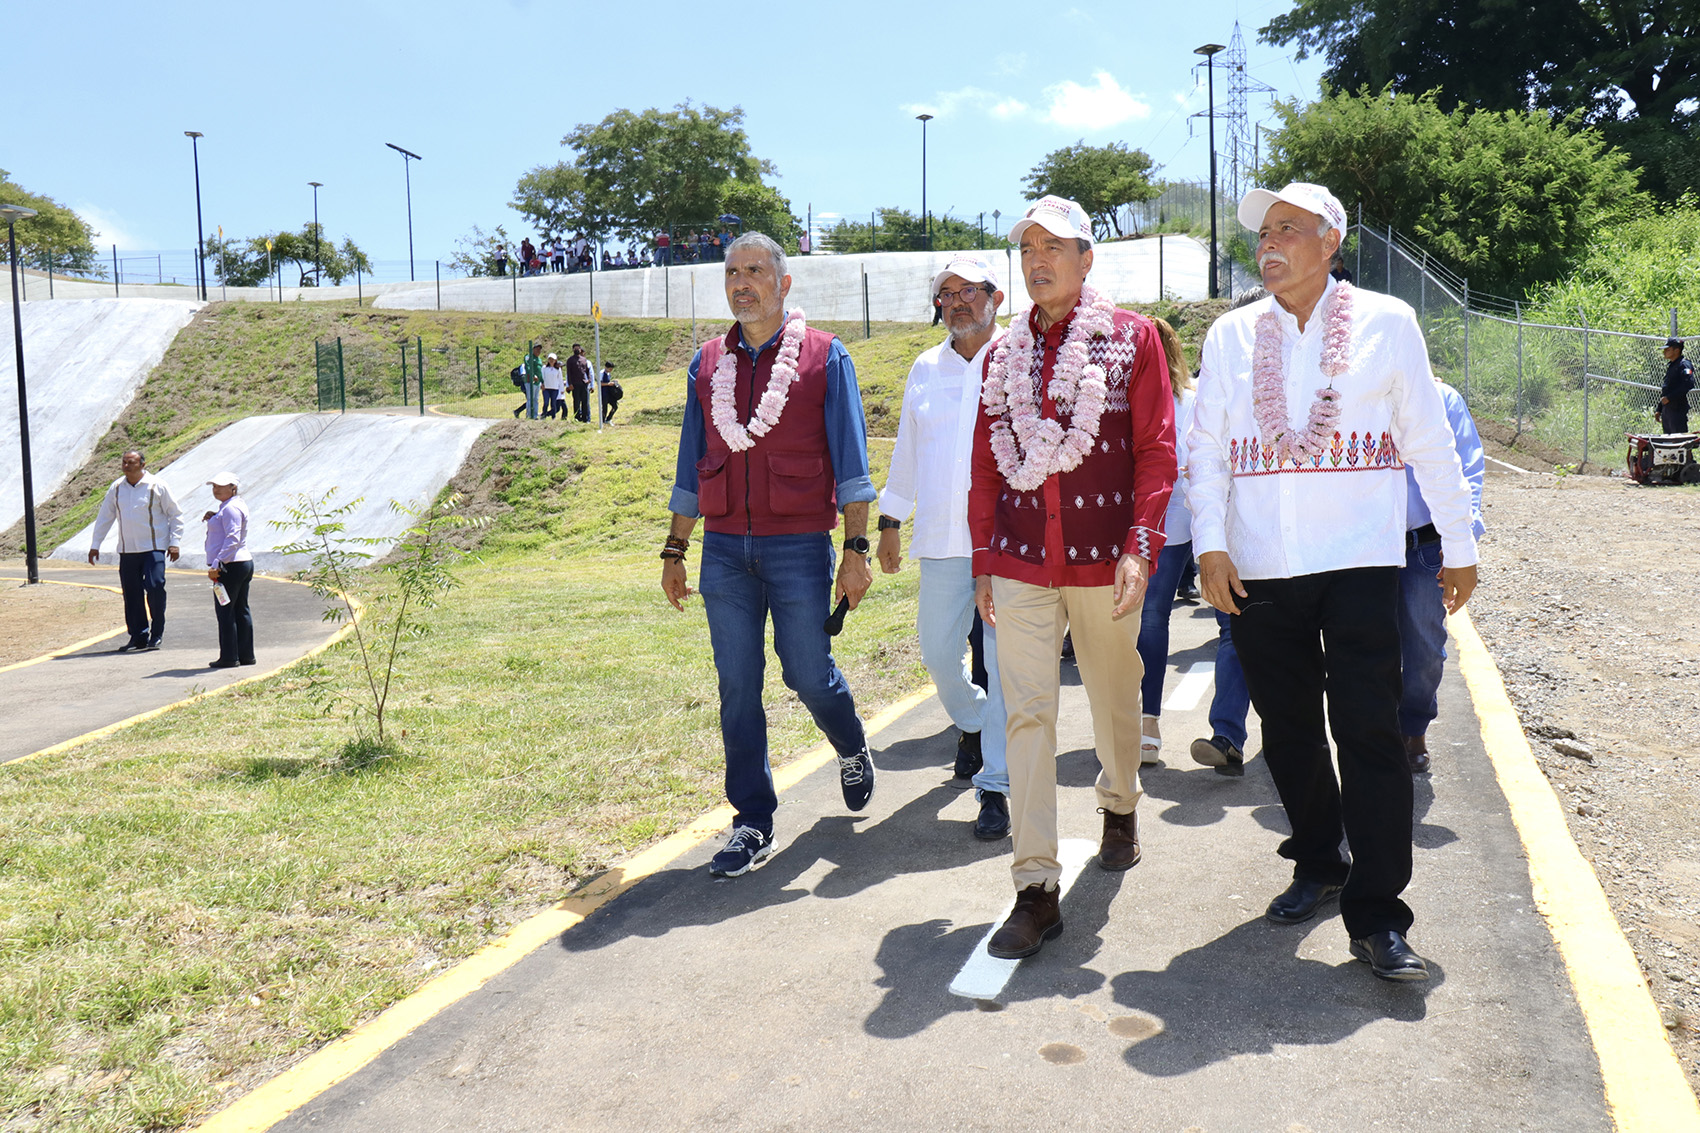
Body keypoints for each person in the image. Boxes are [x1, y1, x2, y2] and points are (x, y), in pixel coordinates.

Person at [1189, 182, 1479, 982]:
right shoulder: (1230, 336)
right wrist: (1210, 545)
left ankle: (1380, 915)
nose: (1270, 244)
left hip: (1359, 556)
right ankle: (1318, 861)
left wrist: (1458, 542)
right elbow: (1206, 447)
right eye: (1263, 233)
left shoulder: (1388, 323)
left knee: (1369, 731)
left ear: (1332, 242)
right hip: (1260, 565)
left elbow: (1427, 437)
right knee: (1285, 729)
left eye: (1289, 229)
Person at [970, 196, 1177, 960]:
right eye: (1027, 246)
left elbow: (1157, 449)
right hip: (1023, 559)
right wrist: (984, 558)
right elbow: (985, 465)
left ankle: (1120, 800)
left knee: (1114, 693)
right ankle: (1035, 887)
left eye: (1053, 245)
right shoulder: (1000, 357)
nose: (1037, 259)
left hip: (1104, 559)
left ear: (1087, 259)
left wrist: (1140, 544)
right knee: (1024, 713)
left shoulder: (1133, 339)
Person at [662, 232, 879, 878]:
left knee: (808, 672)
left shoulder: (824, 358)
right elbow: (689, 468)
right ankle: (752, 819)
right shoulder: (707, 364)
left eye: (755, 270)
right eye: (732, 272)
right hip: (724, 549)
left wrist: (856, 549)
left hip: (798, 546)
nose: (741, 282)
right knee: (737, 686)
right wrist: (676, 548)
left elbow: (854, 469)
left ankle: (851, 742)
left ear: (785, 284)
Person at [877, 255, 1012, 840]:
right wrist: (888, 520)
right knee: (937, 654)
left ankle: (997, 787)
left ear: (996, 297)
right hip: (942, 540)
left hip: (1010, 543)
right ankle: (980, 723)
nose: (956, 302)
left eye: (968, 291)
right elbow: (907, 450)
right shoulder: (925, 367)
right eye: (946, 294)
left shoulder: (1019, 359)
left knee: (1007, 668)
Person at [1400, 381, 1486, 773]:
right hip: (1365, 548)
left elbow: (1469, 467)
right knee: (1363, 644)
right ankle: (1380, 733)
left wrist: (1462, 543)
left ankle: (1414, 724)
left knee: (1424, 649)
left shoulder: (1443, 399)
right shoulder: (1356, 393)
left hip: (1424, 547)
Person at [1133, 317, 1195, 765]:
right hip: (1120, 519)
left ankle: (1148, 719)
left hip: (1171, 521)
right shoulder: (1116, 396)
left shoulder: (1190, 403)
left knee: (1152, 617)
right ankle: (1120, 718)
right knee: (1118, 623)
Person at [87, 450, 184, 652]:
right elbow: (105, 516)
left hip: (154, 547)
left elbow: (175, 514)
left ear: (142, 464)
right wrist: (95, 544)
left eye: (131, 463)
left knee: (155, 586)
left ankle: (156, 633)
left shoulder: (157, 485)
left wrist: (174, 542)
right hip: (128, 550)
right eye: (124, 462)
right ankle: (138, 636)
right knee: (131, 594)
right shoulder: (116, 488)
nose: (126, 466)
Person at [202, 470, 255, 669]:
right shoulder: (231, 506)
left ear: (233, 488)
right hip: (240, 562)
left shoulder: (231, 508)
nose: (216, 490)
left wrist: (217, 563)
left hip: (230, 565)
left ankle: (229, 657)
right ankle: (245, 655)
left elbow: (233, 538)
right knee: (241, 609)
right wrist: (215, 517)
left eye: (221, 486)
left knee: (226, 611)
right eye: (214, 486)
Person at [1659, 337, 1694, 434]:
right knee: (1668, 440)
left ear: (1677, 350)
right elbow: (1667, 389)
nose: (1664, 352)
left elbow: (1688, 384)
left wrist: (1670, 398)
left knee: (1678, 440)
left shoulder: (1684, 365)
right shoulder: (1672, 365)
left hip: (1677, 408)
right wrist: (1659, 408)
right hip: (1668, 409)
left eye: (1668, 349)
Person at [515, 343, 543, 420]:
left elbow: (540, 372)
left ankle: (534, 415)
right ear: (533, 349)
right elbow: (528, 367)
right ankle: (529, 415)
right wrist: (533, 375)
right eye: (537, 349)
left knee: (536, 399)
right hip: (530, 381)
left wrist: (542, 381)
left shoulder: (539, 359)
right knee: (530, 399)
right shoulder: (528, 357)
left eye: (539, 349)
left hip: (538, 382)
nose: (538, 351)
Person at [567, 343, 593, 423]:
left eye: (578, 348)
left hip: (584, 383)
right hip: (575, 384)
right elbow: (569, 373)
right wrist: (570, 384)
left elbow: (587, 370)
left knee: (585, 402)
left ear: (580, 349)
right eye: (575, 348)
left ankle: (585, 418)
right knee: (576, 401)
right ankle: (577, 418)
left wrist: (589, 379)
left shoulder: (584, 360)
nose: (577, 349)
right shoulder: (570, 360)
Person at [540, 352, 566, 420]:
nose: (551, 361)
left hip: (555, 388)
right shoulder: (544, 368)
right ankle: (544, 415)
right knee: (546, 402)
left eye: (553, 359)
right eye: (550, 359)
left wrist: (562, 389)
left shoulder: (558, 369)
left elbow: (560, 379)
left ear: (555, 360)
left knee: (553, 404)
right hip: (546, 388)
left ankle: (553, 417)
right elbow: (541, 377)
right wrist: (541, 385)